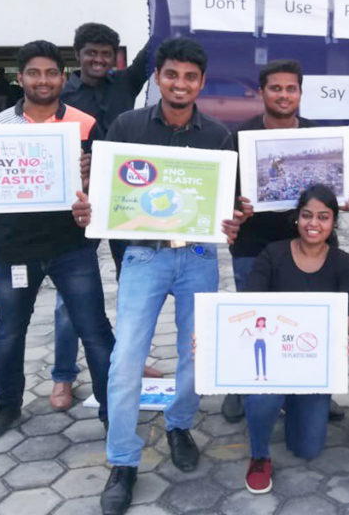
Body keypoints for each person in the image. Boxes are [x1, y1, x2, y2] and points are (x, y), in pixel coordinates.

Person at [72, 37, 243, 515]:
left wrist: (233, 219)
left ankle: (179, 424)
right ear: (158, 78)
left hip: (198, 258)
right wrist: (89, 209)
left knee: (194, 352)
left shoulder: (217, 137)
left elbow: (226, 206)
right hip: (144, 258)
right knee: (126, 359)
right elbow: (102, 194)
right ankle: (123, 459)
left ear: (201, 83)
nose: (180, 84)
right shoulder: (126, 126)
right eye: (172, 75)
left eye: (190, 77)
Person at [220, 59, 349, 423]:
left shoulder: (316, 136)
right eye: (275, 88)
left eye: (290, 88)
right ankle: (242, 386)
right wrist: (235, 208)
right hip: (253, 247)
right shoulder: (238, 138)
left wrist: (346, 197)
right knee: (253, 322)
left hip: (310, 249)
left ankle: (317, 389)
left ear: (300, 92)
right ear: (261, 92)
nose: (284, 95)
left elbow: (330, 197)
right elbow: (223, 194)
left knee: (310, 323)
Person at [0, 40, 115, 443]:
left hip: (70, 247)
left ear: (63, 77)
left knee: (93, 328)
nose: (43, 80)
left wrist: (89, 177)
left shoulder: (85, 122)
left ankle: (113, 407)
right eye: (33, 73)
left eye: (50, 73)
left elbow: (107, 185)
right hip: (14, 247)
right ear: (20, 77)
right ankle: (7, 404)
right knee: (9, 330)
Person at [49, 22, 153, 412]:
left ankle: (132, 362)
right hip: (79, 204)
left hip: (127, 202)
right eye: (91, 52)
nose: (98, 59)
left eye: (106, 53)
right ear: (78, 54)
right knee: (67, 298)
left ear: (115, 57)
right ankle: (62, 377)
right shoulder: (63, 92)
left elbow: (155, 47)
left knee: (133, 288)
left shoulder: (125, 83)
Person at [241, 184, 349, 494]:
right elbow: (249, 305)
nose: (313, 224)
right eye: (307, 215)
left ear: (334, 221)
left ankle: (292, 402)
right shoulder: (273, 253)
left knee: (307, 448)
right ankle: (259, 455)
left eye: (323, 217)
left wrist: (341, 331)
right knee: (261, 398)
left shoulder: (343, 261)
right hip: (273, 360)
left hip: (312, 363)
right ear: (296, 218)